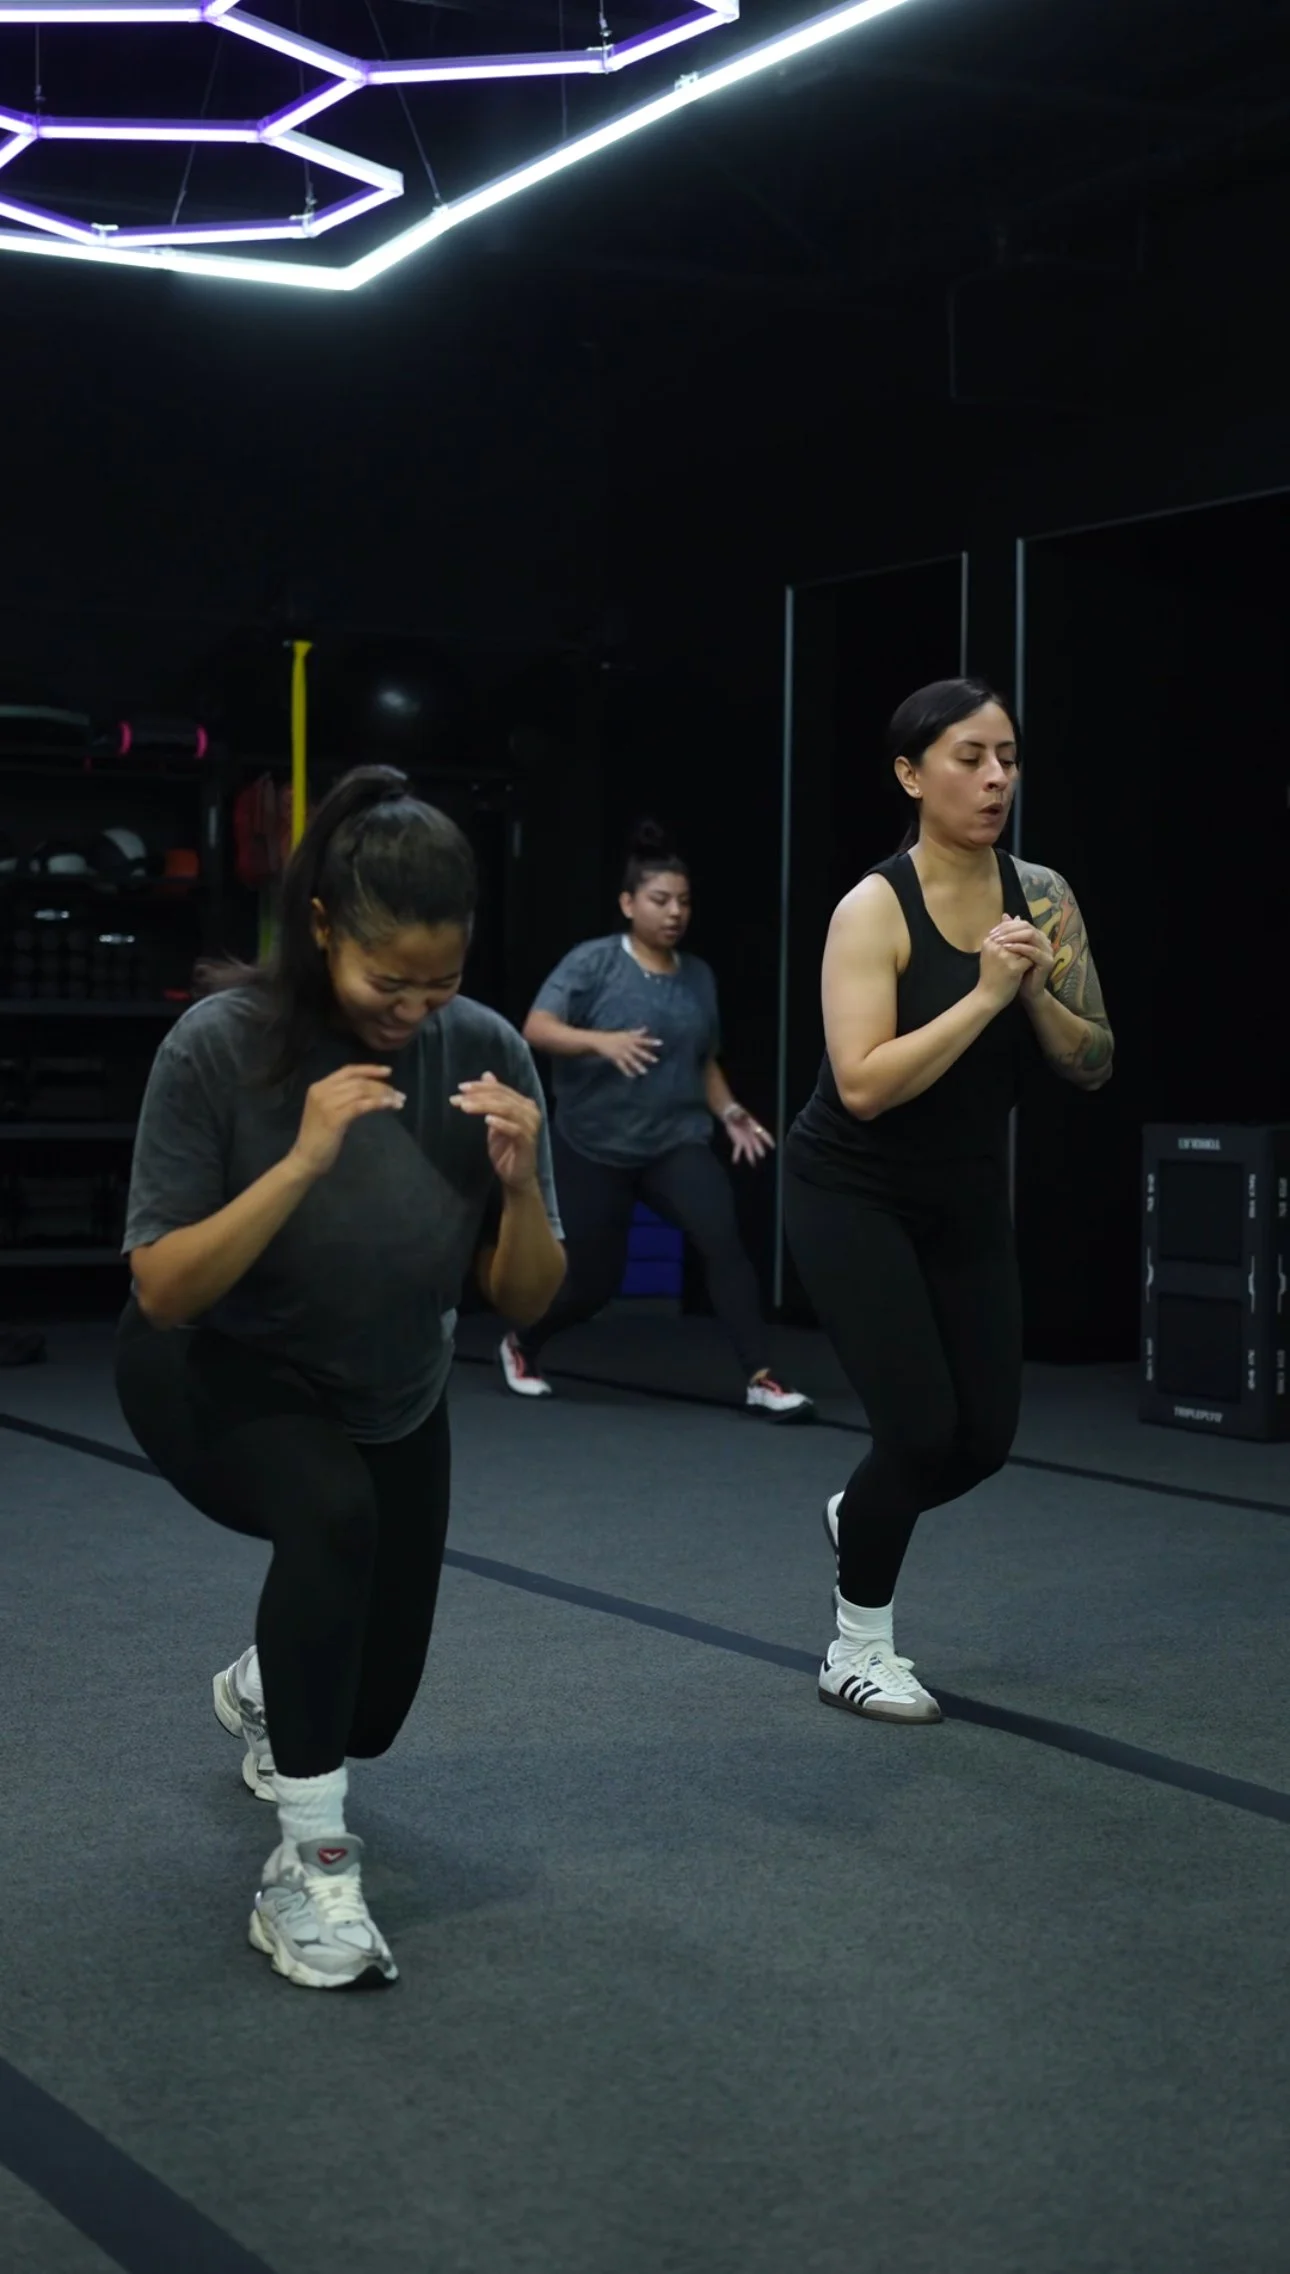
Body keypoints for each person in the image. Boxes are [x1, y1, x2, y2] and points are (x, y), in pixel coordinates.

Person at [114, 766, 565, 1990]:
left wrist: (521, 1188)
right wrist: (304, 1159)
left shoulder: (488, 1055)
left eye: (444, 981)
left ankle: (273, 1679)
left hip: (393, 1388)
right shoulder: (219, 1048)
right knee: (330, 1517)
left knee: (364, 1711)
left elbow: (525, 1300)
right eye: (388, 982)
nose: (415, 1011)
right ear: (322, 929)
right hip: (211, 1365)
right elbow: (163, 1288)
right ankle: (308, 1871)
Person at [783, 678, 1113, 1725]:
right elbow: (867, 1084)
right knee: (919, 1432)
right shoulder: (872, 908)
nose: (995, 778)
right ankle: (856, 1648)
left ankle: (860, 1510)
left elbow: (1095, 1060)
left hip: (963, 1192)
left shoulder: (1045, 894)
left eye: (1008, 756)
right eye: (970, 757)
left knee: (983, 1441)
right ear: (911, 774)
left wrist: (1035, 997)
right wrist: (979, 994)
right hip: (849, 1187)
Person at [499, 822, 812, 1419]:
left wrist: (730, 1111)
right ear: (628, 904)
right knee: (592, 1282)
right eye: (660, 901)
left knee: (723, 1240)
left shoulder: (697, 976)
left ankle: (762, 1377)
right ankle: (523, 1344)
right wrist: (602, 1042)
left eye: (683, 902)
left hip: (675, 1141)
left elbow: (704, 1062)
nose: (674, 914)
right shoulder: (593, 963)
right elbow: (535, 1028)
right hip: (594, 1143)